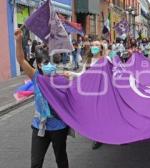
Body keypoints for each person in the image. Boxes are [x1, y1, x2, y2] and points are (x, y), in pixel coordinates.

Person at [14, 29, 69, 168]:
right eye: (45, 63)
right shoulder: (36, 77)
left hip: (58, 127)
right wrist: (19, 41)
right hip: (40, 127)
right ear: (39, 65)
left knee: (61, 161)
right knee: (36, 164)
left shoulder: (62, 79)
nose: (49, 65)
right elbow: (21, 59)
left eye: (50, 62)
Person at [64, 39, 105, 150]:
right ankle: (97, 135)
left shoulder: (106, 60)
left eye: (97, 45)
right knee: (93, 114)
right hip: (90, 92)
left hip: (102, 92)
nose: (94, 47)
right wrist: (71, 73)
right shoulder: (88, 60)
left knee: (100, 113)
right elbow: (82, 74)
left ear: (101, 48)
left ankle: (99, 137)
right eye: (93, 45)